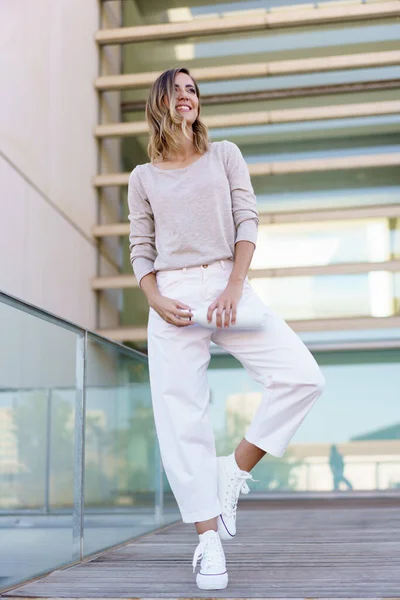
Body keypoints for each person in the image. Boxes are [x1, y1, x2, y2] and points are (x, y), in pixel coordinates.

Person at [127, 67, 325, 591]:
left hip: (225, 283)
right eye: (176, 90)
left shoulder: (225, 155)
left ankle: (232, 471)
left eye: (192, 89)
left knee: (303, 377)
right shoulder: (142, 178)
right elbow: (140, 247)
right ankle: (208, 541)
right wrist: (153, 297)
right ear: (160, 105)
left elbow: (247, 220)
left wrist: (235, 285)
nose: (186, 96)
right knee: (181, 420)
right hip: (169, 294)